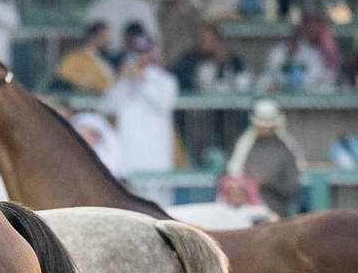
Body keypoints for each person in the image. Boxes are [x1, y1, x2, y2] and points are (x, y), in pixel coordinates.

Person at [103, 34, 178, 197]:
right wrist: (121, 81)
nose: (141, 57)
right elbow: (108, 106)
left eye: (145, 52)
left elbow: (164, 104)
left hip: (156, 159)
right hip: (130, 158)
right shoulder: (124, 82)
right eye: (137, 52)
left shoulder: (166, 81)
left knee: (161, 207)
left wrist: (142, 81)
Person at [224, 98, 304, 217]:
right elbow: (224, 175)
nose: (264, 128)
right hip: (239, 214)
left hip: (274, 213)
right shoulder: (242, 147)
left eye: (268, 125)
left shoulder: (285, 150)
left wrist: (269, 182)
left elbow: (293, 188)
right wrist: (237, 186)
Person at [85, 0, 159, 61]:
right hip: (134, 64)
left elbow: (89, 42)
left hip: (103, 64)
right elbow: (152, 39)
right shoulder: (142, 6)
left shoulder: (96, 7)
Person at [260, 16, 341, 93]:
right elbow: (271, 71)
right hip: (280, 88)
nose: (293, 42)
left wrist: (302, 82)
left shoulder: (310, 51)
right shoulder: (277, 51)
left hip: (309, 88)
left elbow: (316, 73)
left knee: (325, 88)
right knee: (264, 83)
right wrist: (285, 81)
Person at [172, 23, 246, 92]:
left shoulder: (232, 60)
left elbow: (241, 80)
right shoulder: (189, 59)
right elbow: (174, 77)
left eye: (210, 40)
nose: (205, 44)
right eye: (202, 40)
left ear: (218, 40)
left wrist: (225, 63)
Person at [52, 22, 115, 94]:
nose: (109, 40)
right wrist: (88, 86)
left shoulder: (105, 59)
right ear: (94, 37)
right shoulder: (74, 57)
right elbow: (64, 76)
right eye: (105, 36)